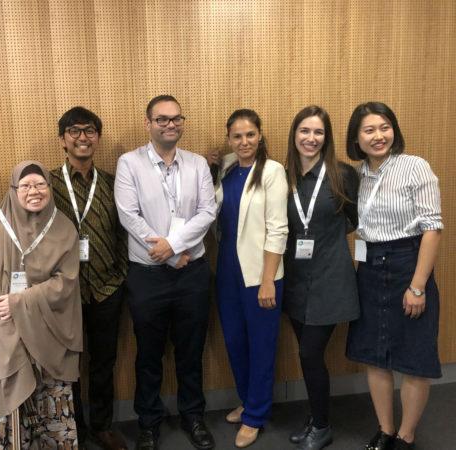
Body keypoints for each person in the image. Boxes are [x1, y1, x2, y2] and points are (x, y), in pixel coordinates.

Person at [114, 95, 217, 450]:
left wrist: (173, 246)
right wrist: (168, 255)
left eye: (176, 119)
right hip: (148, 274)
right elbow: (128, 215)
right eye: (162, 119)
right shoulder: (129, 164)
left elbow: (207, 212)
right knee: (149, 353)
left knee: (191, 351)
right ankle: (148, 423)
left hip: (193, 273)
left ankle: (194, 416)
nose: (170, 125)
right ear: (148, 123)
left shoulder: (198, 164)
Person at [345, 102, 443, 450]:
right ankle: (385, 429)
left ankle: (406, 435)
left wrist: (417, 287)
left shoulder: (415, 167)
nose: (378, 136)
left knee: (414, 357)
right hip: (370, 267)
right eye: (369, 130)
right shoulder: (359, 175)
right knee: (375, 355)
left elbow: (432, 229)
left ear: (394, 130)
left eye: (384, 127)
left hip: (407, 264)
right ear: (356, 138)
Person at [0, 161, 83, 450]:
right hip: (11, 334)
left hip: (51, 331)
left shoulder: (64, 227)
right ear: (13, 190)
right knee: (16, 407)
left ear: (49, 187)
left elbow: (66, 283)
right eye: (25, 185)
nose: (34, 191)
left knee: (53, 409)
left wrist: (20, 302)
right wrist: (13, 327)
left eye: (40, 184)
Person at [50, 107, 128, 450]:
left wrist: (121, 272)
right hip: (63, 291)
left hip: (107, 288)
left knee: (103, 361)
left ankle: (101, 425)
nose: (82, 137)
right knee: (67, 363)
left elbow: (126, 231)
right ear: (63, 139)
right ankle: (73, 427)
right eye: (74, 131)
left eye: (90, 130)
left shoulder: (112, 182)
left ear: (97, 136)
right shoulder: (47, 183)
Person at [283, 106, 359, 450]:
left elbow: (356, 220)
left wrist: (326, 240)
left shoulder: (342, 174)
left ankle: (323, 425)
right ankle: (316, 417)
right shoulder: (281, 175)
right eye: (305, 131)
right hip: (295, 278)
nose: (311, 138)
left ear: (327, 138)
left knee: (310, 354)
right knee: (306, 352)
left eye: (318, 132)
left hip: (331, 277)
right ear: (294, 135)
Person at [211, 109, 288, 448]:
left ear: (260, 135)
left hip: (261, 273)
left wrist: (269, 279)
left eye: (250, 135)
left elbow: (278, 229)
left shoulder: (272, 171)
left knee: (261, 346)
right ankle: (247, 399)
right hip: (227, 269)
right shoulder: (227, 168)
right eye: (237, 136)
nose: (244, 142)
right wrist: (212, 160)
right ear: (230, 139)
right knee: (235, 341)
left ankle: (255, 415)